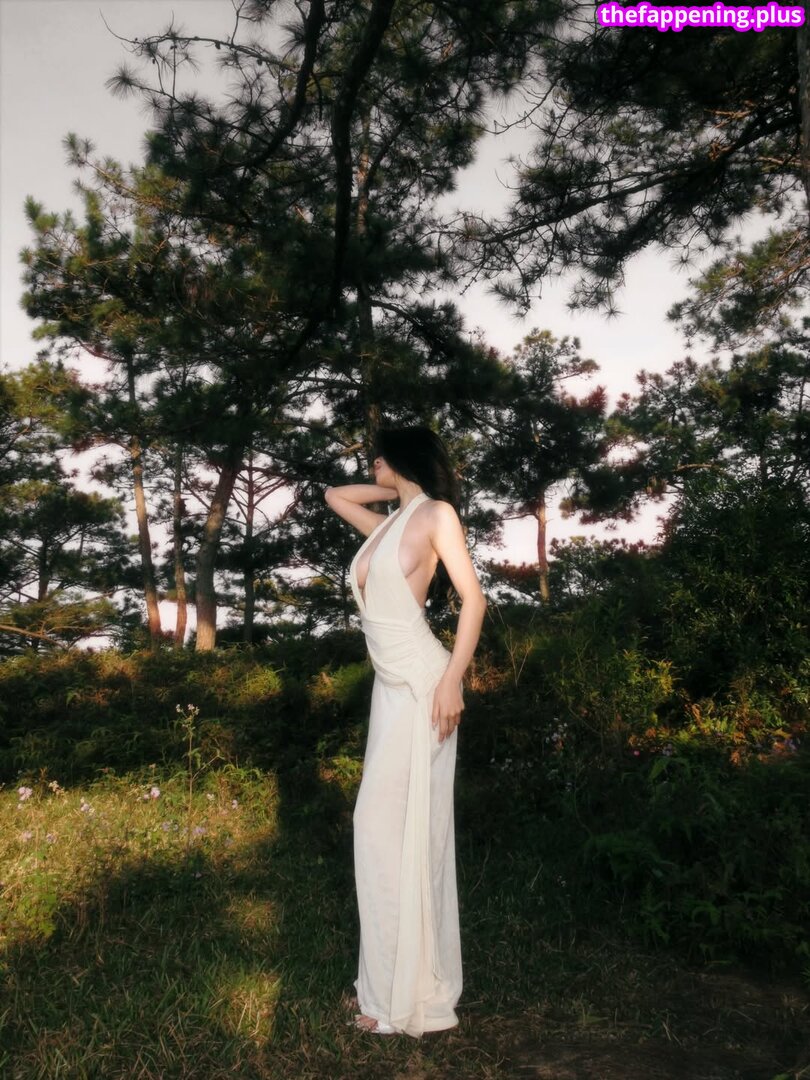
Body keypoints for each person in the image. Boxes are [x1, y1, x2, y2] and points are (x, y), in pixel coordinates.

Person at [324, 426, 487, 1038]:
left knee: (400, 835)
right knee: (379, 834)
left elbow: (474, 600)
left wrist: (452, 681)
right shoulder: (388, 525)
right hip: (388, 691)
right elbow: (335, 495)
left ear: (401, 458)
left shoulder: (436, 517)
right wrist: (395, 485)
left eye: (380, 456)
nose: (371, 463)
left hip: (424, 686)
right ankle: (383, 989)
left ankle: (400, 1000)